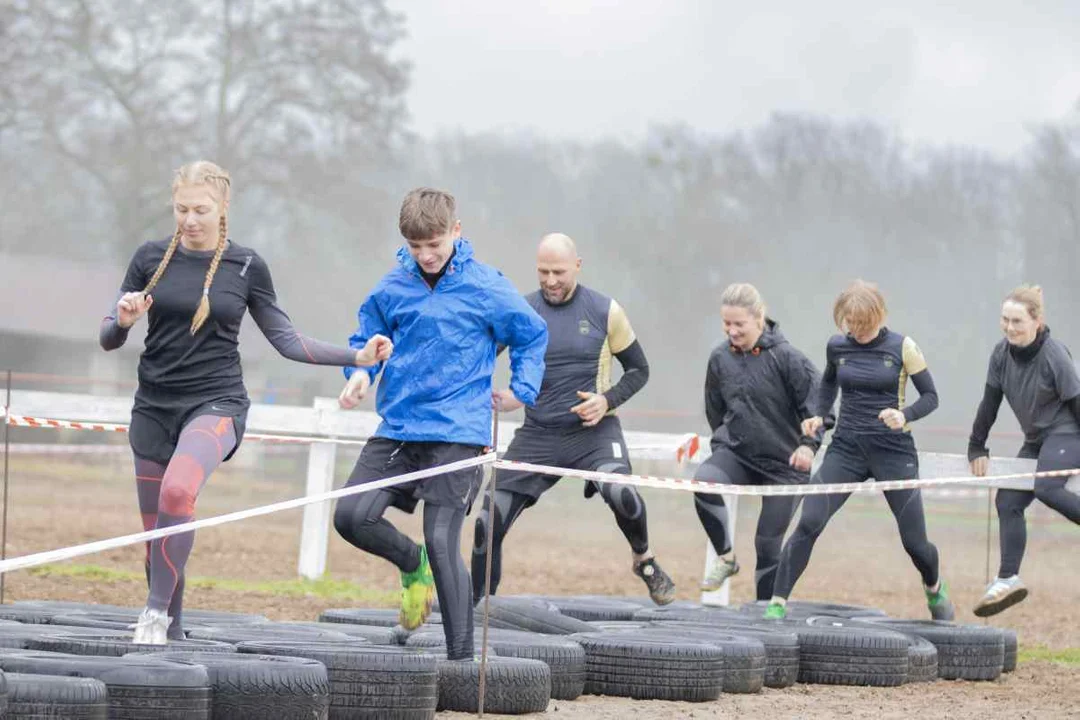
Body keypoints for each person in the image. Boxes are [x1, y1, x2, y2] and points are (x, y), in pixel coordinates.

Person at [100, 161, 391, 645]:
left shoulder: (246, 265)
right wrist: (124, 320)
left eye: (201, 210)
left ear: (223, 207)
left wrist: (356, 354)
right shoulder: (149, 258)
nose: (190, 219)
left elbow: (286, 339)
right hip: (153, 407)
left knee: (178, 494)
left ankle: (152, 614)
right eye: (181, 209)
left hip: (215, 403)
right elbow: (109, 336)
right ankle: (168, 641)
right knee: (156, 540)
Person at [332, 188, 547, 661]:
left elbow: (532, 336)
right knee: (350, 517)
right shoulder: (390, 288)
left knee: (442, 539)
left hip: (458, 431)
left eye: (434, 244)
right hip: (400, 427)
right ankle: (413, 565)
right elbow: (365, 341)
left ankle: (461, 661)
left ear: (456, 231)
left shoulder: (487, 287)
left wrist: (521, 391)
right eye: (416, 247)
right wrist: (360, 377)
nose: (426, 256)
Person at [470, 233, 675, 606]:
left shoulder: (605, 310)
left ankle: (643, 559)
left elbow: (639, 371)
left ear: (577, 266)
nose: (550, 281)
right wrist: (512, 394)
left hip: (592, 433)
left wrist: (606, 400)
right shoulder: (522, 310)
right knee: (487, 521)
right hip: (538, 435)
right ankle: (475, 613)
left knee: (622, 493)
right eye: (543, 272)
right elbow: (480, 360)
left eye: (559, 272)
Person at [764, 280, 955, 621]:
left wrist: (904, 415)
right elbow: (826, 386)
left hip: (894, 452)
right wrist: (818, 417)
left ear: (877, 316)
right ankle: (777, 603)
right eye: (849, 323)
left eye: (862, 324)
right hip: (847, 450)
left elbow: (931, 397)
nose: (856, 330)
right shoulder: (837, 346)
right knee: (809, 521)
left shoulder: (903, 347)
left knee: (914, 542)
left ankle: (934, 586)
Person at [693, 283, 829, 601]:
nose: (732, 331)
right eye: (726, 323)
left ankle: (765, 612)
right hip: (738, 454)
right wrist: (725, 443)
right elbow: (716, 410)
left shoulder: (788, 359)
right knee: (704, 483)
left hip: (786, 466)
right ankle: (726, 559)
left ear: (759, 318)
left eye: (739, 324)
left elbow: (820, 407)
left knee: (767, 545)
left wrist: (808, 446)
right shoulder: (719, 358)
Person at [968, 285, 1080, 616]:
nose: (1009, 327)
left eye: (1017, 321)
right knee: (1008, 500)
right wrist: (976, 446)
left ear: (1036, 321)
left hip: (1067, 433)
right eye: (1005, 320)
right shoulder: (1000, 355)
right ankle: (1007, 579)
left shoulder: (1054, 354)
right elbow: (989, 403)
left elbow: (1076, 402)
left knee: (1046, 487)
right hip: (1036, 439)